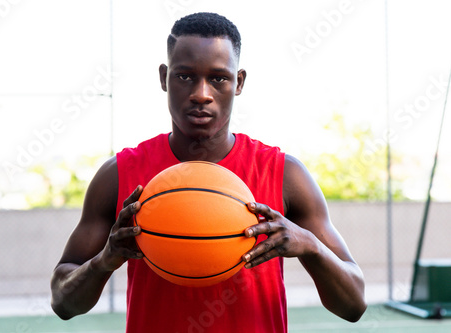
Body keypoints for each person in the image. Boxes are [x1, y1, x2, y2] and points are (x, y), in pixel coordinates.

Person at [50, 12, 367, 332]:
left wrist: (309, 244)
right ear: (164, 77)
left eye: (218, 78)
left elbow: (354, 303)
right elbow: (63, 303)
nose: (201, 93)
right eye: (185, 76)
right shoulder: (119, 174)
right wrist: (105, 260)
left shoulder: (284, 174)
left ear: (239, 82)